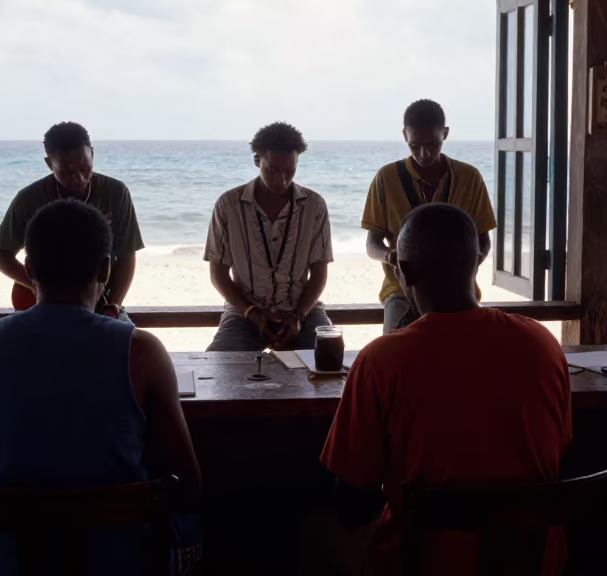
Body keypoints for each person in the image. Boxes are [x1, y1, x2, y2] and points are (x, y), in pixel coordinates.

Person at [320, 203, 572, 575]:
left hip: (422, 561)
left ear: (403, 271)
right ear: (475, 263)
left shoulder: (382, 360)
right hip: (534, 561)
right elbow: (561, 450)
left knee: (313, 534)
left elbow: (352, 497)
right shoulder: (541, 342)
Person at [0, 199, 201, 576]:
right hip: (121, 561)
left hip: (9, 562)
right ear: (106, 268)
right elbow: (188, 485)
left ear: (28, 269)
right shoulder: (140, 350)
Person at [363, 99, 496, 334]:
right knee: (395, 356)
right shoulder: (385, 178)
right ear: (404, 136)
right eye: (415, 145)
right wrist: (391, 257)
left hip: (459, 293)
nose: (424, 153)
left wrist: (466, 268)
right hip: (403, 291)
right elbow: (372, 244)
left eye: (433, 144)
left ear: (445, 134)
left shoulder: (470, 177)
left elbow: (483, 240)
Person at [0, 122, 143, 319]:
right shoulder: (29, 199)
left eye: (84, 167)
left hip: (98, 302)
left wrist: (114, 305)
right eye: (66, 171)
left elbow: (126, 255)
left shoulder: (115, 193)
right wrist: (35, 285)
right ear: (49, 163)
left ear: (92, 154)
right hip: (40, 303)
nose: (78, 178)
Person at [203, 122, 334, 352]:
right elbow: (218, 274)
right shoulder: (228, 205)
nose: (282, 179)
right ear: (257, 160)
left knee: (329, 358)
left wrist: (297, 316)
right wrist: (251, 313)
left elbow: (319, 273)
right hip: (245, 311)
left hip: (301, 309)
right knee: (218, 365)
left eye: (290, 171)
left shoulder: (314, 205)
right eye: (273, 170)